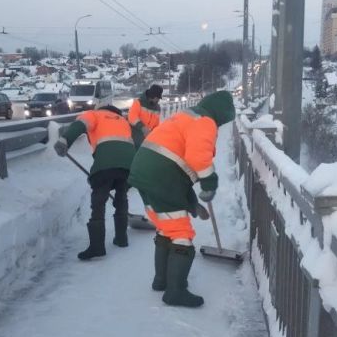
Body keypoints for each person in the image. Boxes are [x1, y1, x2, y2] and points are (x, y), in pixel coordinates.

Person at [128, 90, 236, 308]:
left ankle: (161, 281)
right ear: (222, 114)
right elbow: (197, 158)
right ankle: (175, 291)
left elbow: (178, 162)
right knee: (181, 234)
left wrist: (192, 203)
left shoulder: (187, 116)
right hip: (162, 176)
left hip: (144, 171)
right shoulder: (205, 121)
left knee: (165, 227)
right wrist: (209, 183)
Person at [54, 105, 135, 260]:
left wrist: (65, 141)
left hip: (106, 161)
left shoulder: (94, 114)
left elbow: (79, 125)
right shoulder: (123, 120)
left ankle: (97, 247)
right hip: (129, 163)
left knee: (99, 201)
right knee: (121, 196)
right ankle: (121, 238)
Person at [128, 84, 163, 149]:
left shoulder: (157, 108)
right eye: (157, 98)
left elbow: (156, 124)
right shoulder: (138, 103)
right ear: (152, 96)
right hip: (135, 138)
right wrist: (142, 127)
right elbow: (132, 117)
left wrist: (156, 134)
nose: (158, 100)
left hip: (147, 140)